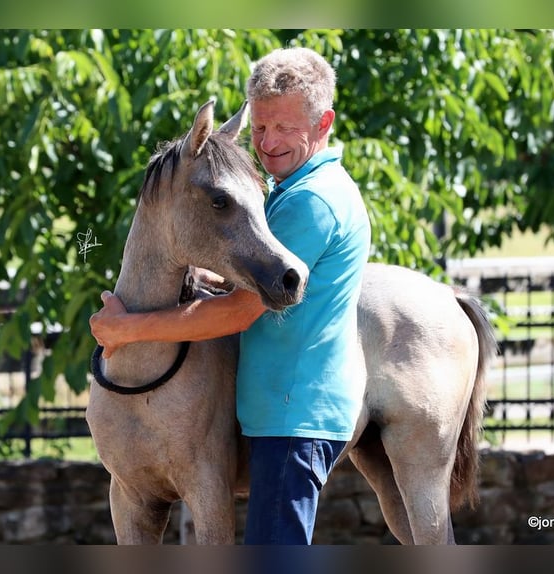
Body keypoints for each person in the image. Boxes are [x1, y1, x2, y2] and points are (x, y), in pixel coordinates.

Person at [89, 46, 371, 545]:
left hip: (295, 409)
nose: (268, 141)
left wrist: (127, 328)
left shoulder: (310, 200)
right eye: (260, 127)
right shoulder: (290, 187)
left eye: (284, 127)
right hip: (279, 405)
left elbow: (243, 312)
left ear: (323, 122)